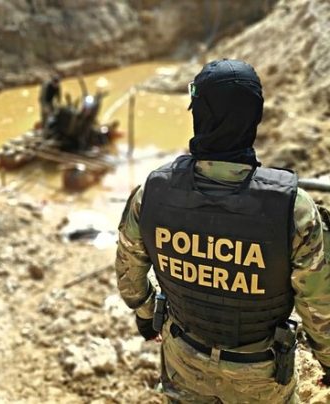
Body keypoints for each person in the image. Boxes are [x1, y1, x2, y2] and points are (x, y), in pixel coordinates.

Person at [115, 59, 330, 402]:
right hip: (260, 374)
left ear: (199, 115)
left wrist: (144, 314)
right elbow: (319, 305)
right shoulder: (294, 208)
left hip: (184, 357)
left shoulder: (151, 192)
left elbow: (129, 273)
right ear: (254, 117)